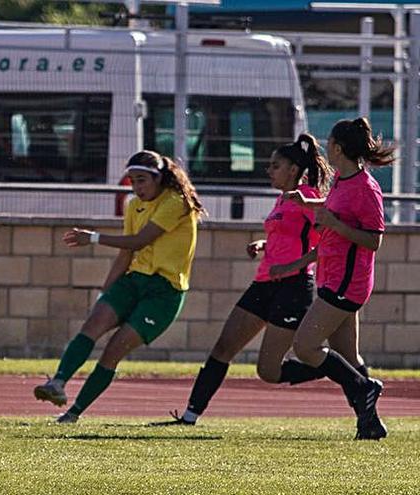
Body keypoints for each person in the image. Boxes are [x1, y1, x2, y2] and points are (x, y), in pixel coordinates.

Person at [156, 134, 373, 426]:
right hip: (263, 284)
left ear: (293, 170)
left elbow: (326, 243)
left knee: (268, 371)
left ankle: (341, 372)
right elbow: (288, 236)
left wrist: (293, 265)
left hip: (293, 288)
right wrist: (263, 244)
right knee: (223, 348)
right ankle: (189, 416)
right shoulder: (283, 198)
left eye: (275, 166)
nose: (269, 170)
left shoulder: (308, 197)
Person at [33, 150, 203, 423]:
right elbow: (126, 255)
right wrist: (105, 293)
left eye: (142, 180)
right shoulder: (133, 204)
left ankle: (72, 413)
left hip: (164, 293)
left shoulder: (175, 202)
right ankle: (58, 383)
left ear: (160, 178)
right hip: (133, 281)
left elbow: (138, 241)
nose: (137, 187)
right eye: (133, 181)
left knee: (113, 350)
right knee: (92, 326)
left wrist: (94, 238)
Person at [285, 118, 393, 440]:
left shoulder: (366, 188)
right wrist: (312, 204)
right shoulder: (342, 181)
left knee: (304, 347)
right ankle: (370, 424)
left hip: (347, 283)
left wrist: (332, 222)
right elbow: (337, 210)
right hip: (333, 277)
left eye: (329, 142)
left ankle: (364, 387)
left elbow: (374, 240)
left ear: (339, 148)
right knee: (348, 357)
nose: (326, 147)